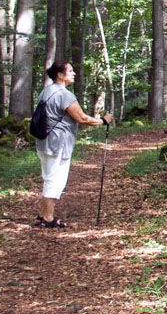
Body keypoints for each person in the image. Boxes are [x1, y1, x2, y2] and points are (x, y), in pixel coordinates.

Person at [34, 60, 113, 228]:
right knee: (55, 180)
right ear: (60, 74)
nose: (74, 73)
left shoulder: (46, 91)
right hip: (58, 144)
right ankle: (48, 218)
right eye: (70, 71)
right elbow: (82, 118)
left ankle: (43, 215)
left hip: (44, 142)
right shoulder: (64, 95)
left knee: (49, 178)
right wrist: (102, 121)